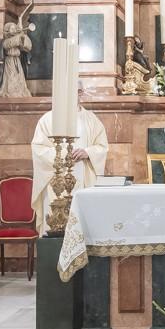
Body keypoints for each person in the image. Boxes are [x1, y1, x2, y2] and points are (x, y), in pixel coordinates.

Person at [30, 84, 109, 231]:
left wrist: (88, 152)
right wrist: (63, 156)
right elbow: (38, 150)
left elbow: (102, 146)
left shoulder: (91, 120)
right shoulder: (48, 119)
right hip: (56, 182)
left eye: (77, 92)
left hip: (84, 180)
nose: (73, 96)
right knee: (56, 227)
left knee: (83, 227)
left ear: (81, 93)